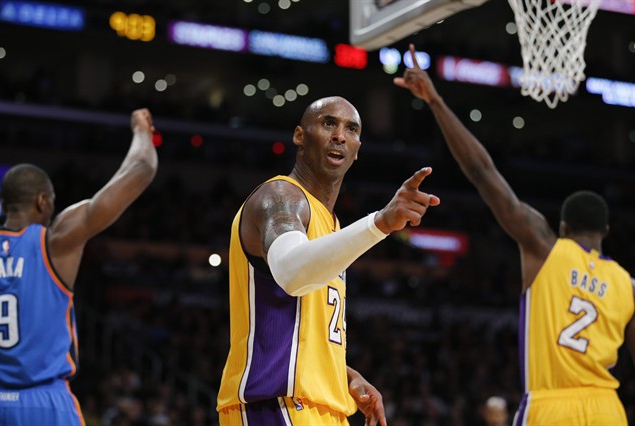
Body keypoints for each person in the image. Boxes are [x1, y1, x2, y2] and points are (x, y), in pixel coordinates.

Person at [394, 44, 635, 425]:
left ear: (564, 228)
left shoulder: (545, 246)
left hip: (551, 406)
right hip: (608, 408)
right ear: (605, 232)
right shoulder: (628, 284)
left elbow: (482, 172)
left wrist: (437, 101)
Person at [216, 95, 440, 425]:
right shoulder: (280, 196)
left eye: (351, 129)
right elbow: (291, 272)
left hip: (324, 408)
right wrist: (377, 224)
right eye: (328, 124)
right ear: (299, 136)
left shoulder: (331, 225)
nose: (339, 135)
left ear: (358, 148)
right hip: (276, 406)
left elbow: (307, 335)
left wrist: (345, 376)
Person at [0, 108, 159, 425]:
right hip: (44, 401)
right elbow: (141, 169)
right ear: (42, 201)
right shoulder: (56, 240)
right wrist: (141, 131)